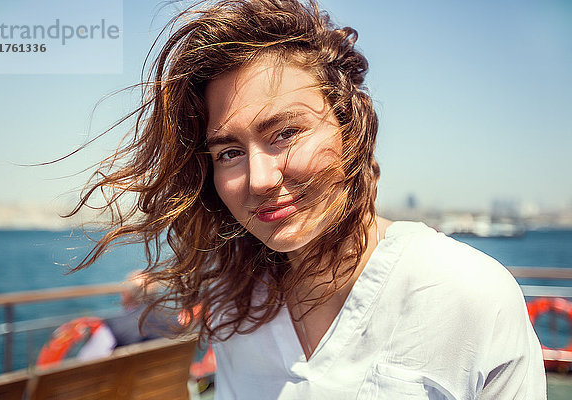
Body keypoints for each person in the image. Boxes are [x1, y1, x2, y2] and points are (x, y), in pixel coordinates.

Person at [70, 0, 546, 398]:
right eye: (230, 152)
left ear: (349, 126)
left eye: (284, 133)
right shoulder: (236, 303)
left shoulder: (466, 295)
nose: (258, 178)